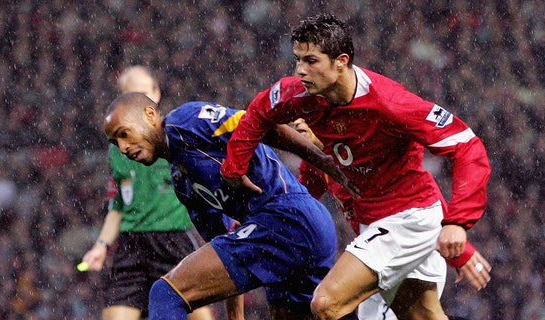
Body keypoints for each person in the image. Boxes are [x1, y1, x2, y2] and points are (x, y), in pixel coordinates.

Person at [221, 13, 491, 320]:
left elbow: (467, 145)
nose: (300, 70)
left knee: (325, 303)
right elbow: (259, 113)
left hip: (409, 221)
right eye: (297, 60)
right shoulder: (304, 104)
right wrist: (234, 169)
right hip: (384, 227)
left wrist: (458, 222)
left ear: (341, 61)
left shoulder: (388, 103)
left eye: (311, 61)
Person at [103, 93, 354, 320]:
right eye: (116, 143)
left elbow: (259, 125)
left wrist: (325, 162)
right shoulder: (182, 183)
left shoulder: (185, 121)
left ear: (150, 115)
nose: (123, 148)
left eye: (124, 133)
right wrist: (235, 316)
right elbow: (222, 245)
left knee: (165, 294)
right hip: (295, 231)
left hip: (285, 217)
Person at [292, 118, 492, 320]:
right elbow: (303, 202)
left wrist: (458, 248)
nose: (298, 123)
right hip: (379, 250)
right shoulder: (314, 162)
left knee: (326, 303)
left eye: (306, 119)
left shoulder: (356, 148)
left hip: (405, 240)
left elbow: (417, 190)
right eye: (295, 118)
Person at [81, 66, 214, 320]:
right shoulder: (118, 151)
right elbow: (118, 206)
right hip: (132, 245)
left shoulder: (177, 136)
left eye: (143, 93)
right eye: (130, 96)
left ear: (156, 94)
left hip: (174, 241)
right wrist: (101, 245)